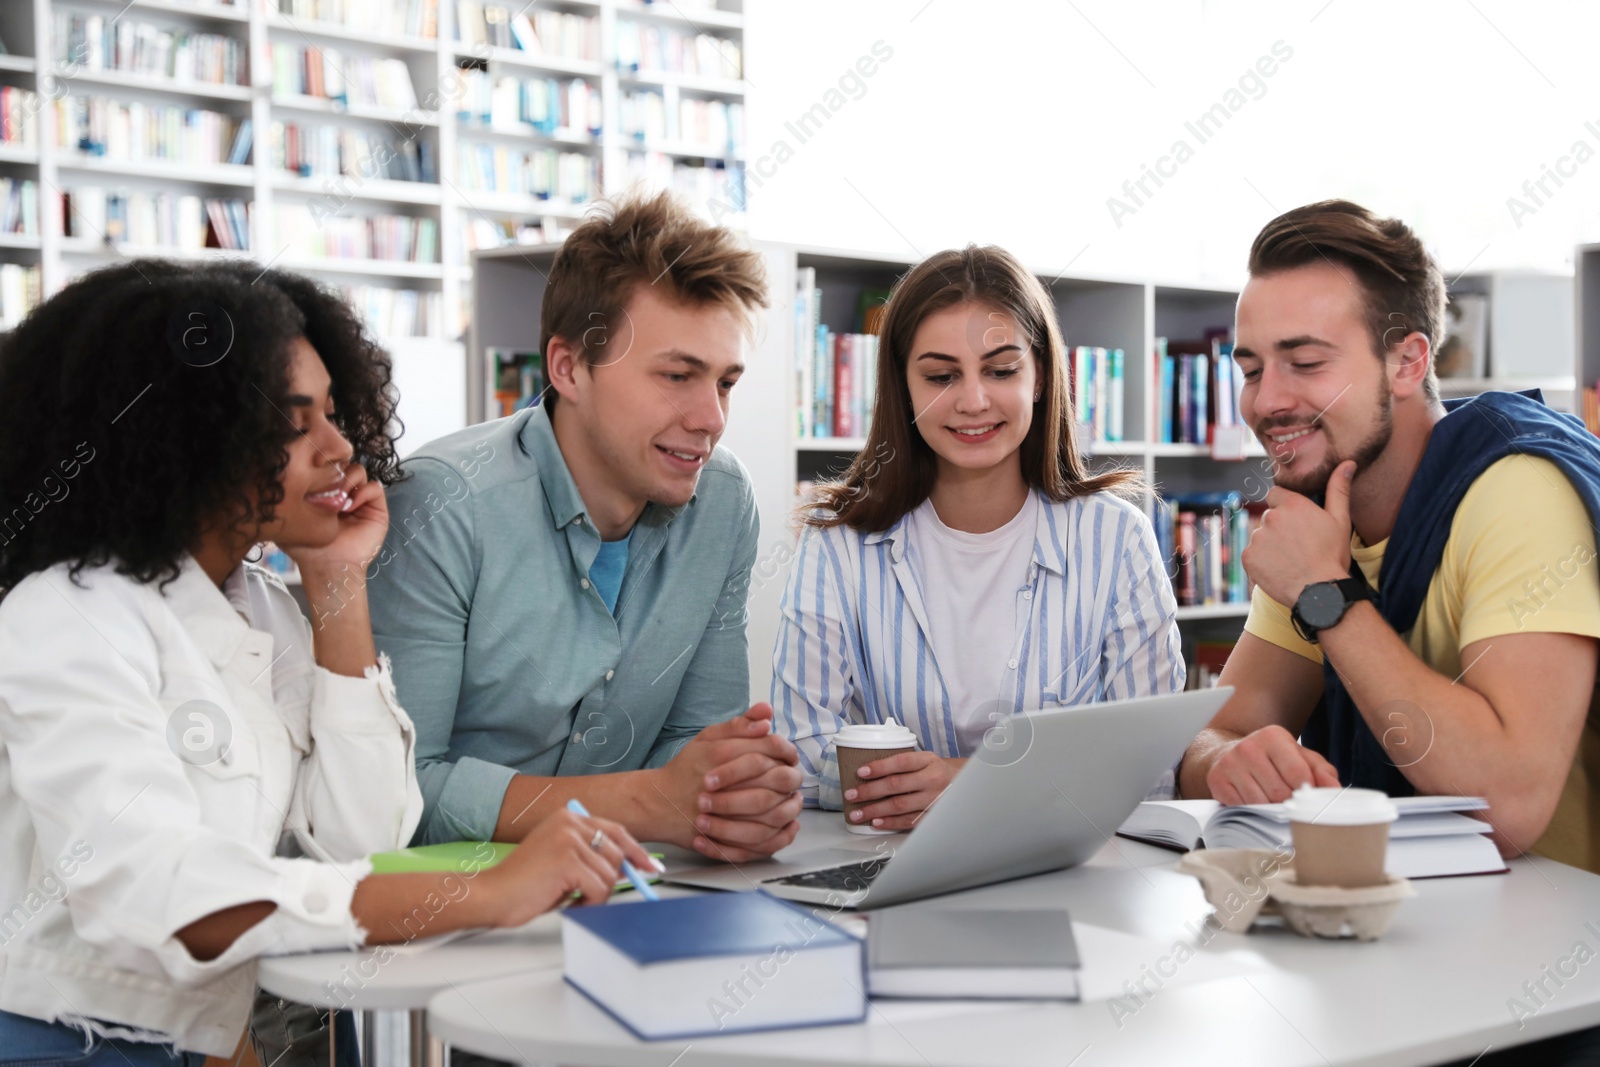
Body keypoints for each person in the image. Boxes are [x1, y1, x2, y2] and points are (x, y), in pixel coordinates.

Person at [0, 261, 654, 1066]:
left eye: (336, 415)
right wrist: (482, 891)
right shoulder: (65, 615)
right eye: (293, 422)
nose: (341, 448)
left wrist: (340, 581)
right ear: (186, 433)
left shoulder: (264, 606)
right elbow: (154, 893)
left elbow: (359, 838)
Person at [1175, 200, 1600, 1067]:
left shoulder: (1515, 491)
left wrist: (1327, 596)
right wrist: (1229, 757)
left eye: (1305, 362)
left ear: (1408, 360)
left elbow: (1509, 801)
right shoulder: (1316, 516)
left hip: (1553, 998)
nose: (1267, 399)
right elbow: (1212, 730)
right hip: (1401, 962)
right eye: (1251, 366)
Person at [366, 190, 803, 864]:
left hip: (635, 889)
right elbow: (394, 791)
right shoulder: (441, 504)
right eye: (678, 375)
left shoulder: (722, 501)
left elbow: (697, 745)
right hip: (450, 913)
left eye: (725, 382)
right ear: (569, 368)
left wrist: (739, 801)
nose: (712, 417)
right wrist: (652, 801)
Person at [773, 244, 1185, 830]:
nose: (972, 401)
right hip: (884, 864)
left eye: (1001, 370)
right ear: (903, 386)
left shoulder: (1118, 539)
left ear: (1041, 375)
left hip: (1069, 870)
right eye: (941, 376)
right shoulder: (835, 545)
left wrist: (967, 779)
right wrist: (1007, 780)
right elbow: (797, 751)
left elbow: (1151, 765)